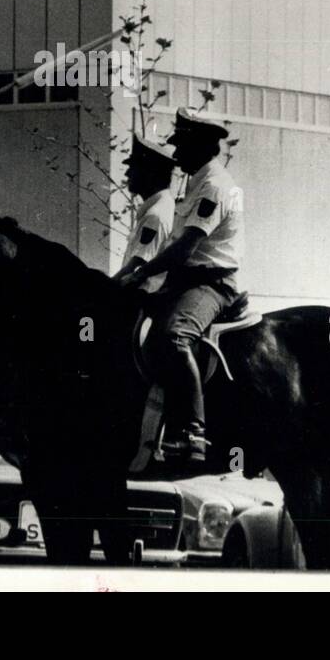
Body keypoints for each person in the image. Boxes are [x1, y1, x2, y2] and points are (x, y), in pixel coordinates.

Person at [120, 108, 244, 472]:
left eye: (183, 144)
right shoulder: (195, 183)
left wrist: (138, 274)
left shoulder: (216, 186)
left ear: (205, 145)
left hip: (211, 282)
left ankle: (193, 432)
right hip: (185, 281)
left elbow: (184, 248)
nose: (176, 154)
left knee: (175, 337)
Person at [113, 134, 177, 293]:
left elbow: (135, 267)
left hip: (140, 299)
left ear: (151, 174)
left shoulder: (155, 215)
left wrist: (103, 288)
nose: (127, 174)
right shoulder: (159, 207)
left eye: (133, 169)